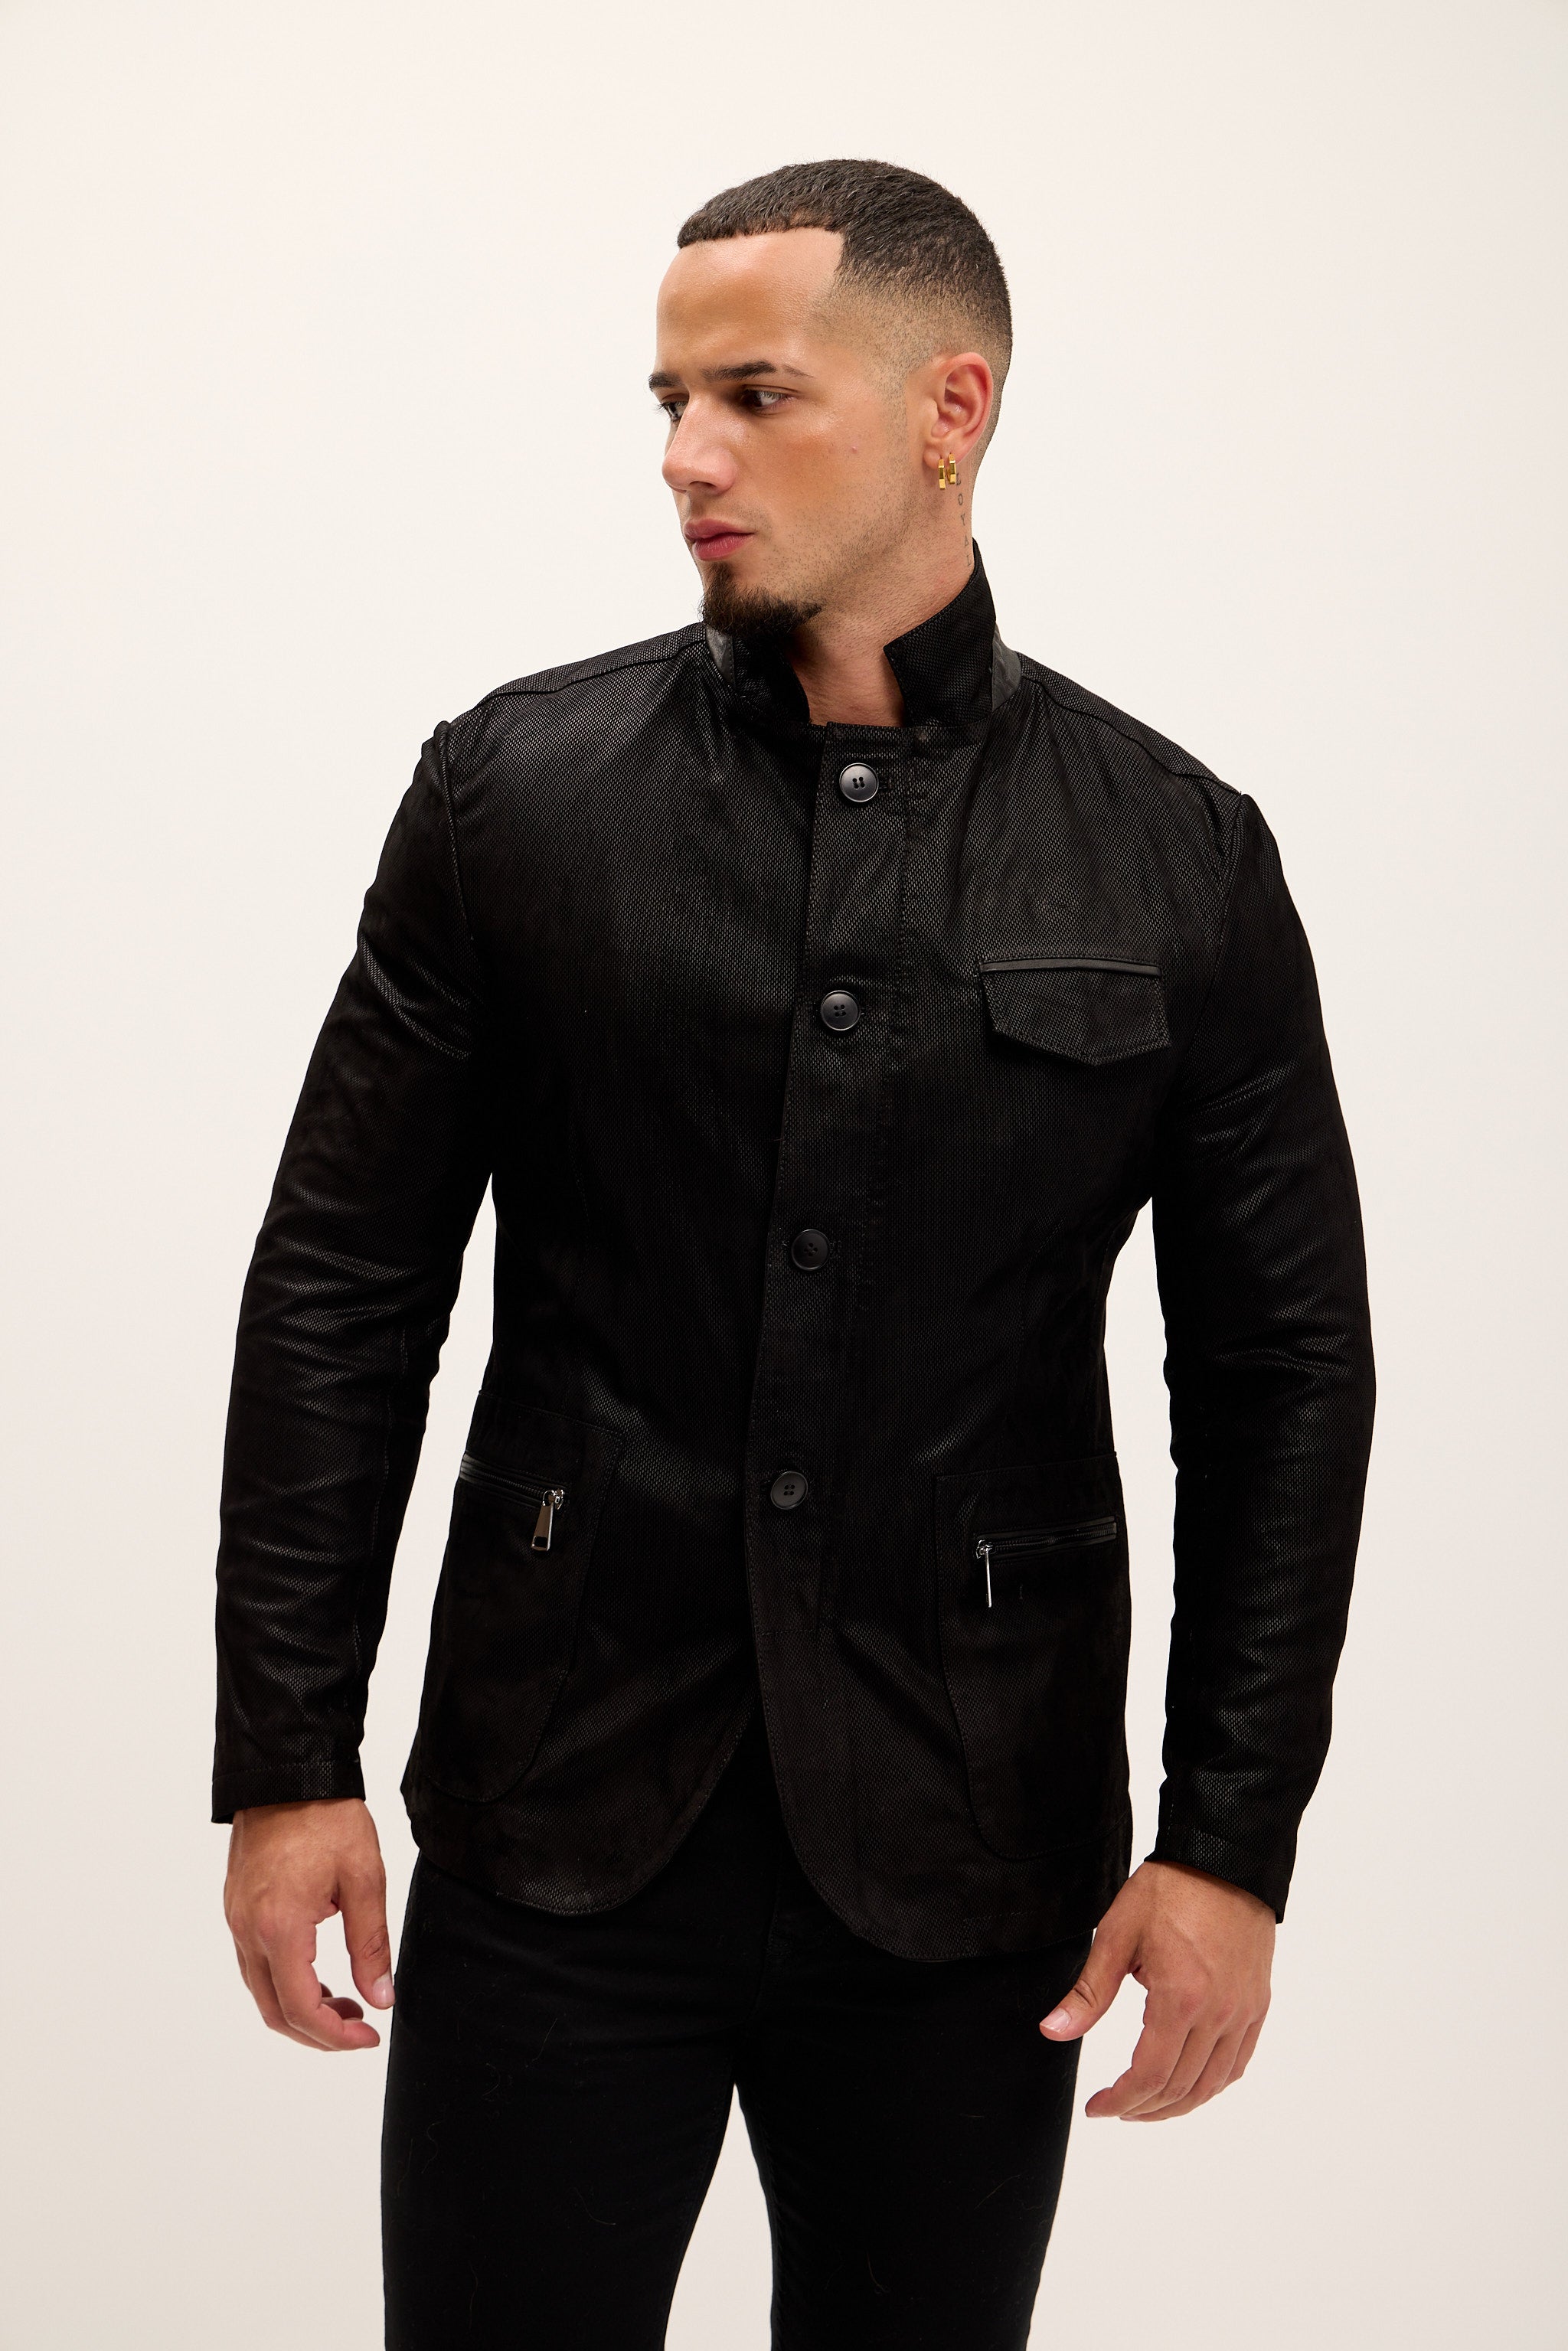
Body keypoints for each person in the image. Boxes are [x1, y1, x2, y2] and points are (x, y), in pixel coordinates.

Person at [215, 159, 1375, 2349]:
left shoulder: (1177, 857)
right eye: (666, 400)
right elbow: (340, 1290)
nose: (686, 456)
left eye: (753, 395)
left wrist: (1230, 1840)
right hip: (557, 1806)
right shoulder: (515, 799)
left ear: (953, 407)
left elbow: (1282, 1378)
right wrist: (287, 1756)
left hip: (974, 1845)